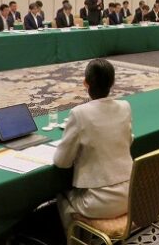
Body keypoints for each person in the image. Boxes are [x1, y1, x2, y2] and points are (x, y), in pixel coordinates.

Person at [55, 59, 133, 231]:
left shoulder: (78, 113)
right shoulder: (125, 106)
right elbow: (129, 140)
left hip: (98, 203)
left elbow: (62, 162)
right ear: (113, 82)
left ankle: (77, 239)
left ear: (85, 83)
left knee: (60, 197)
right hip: (131, 195)